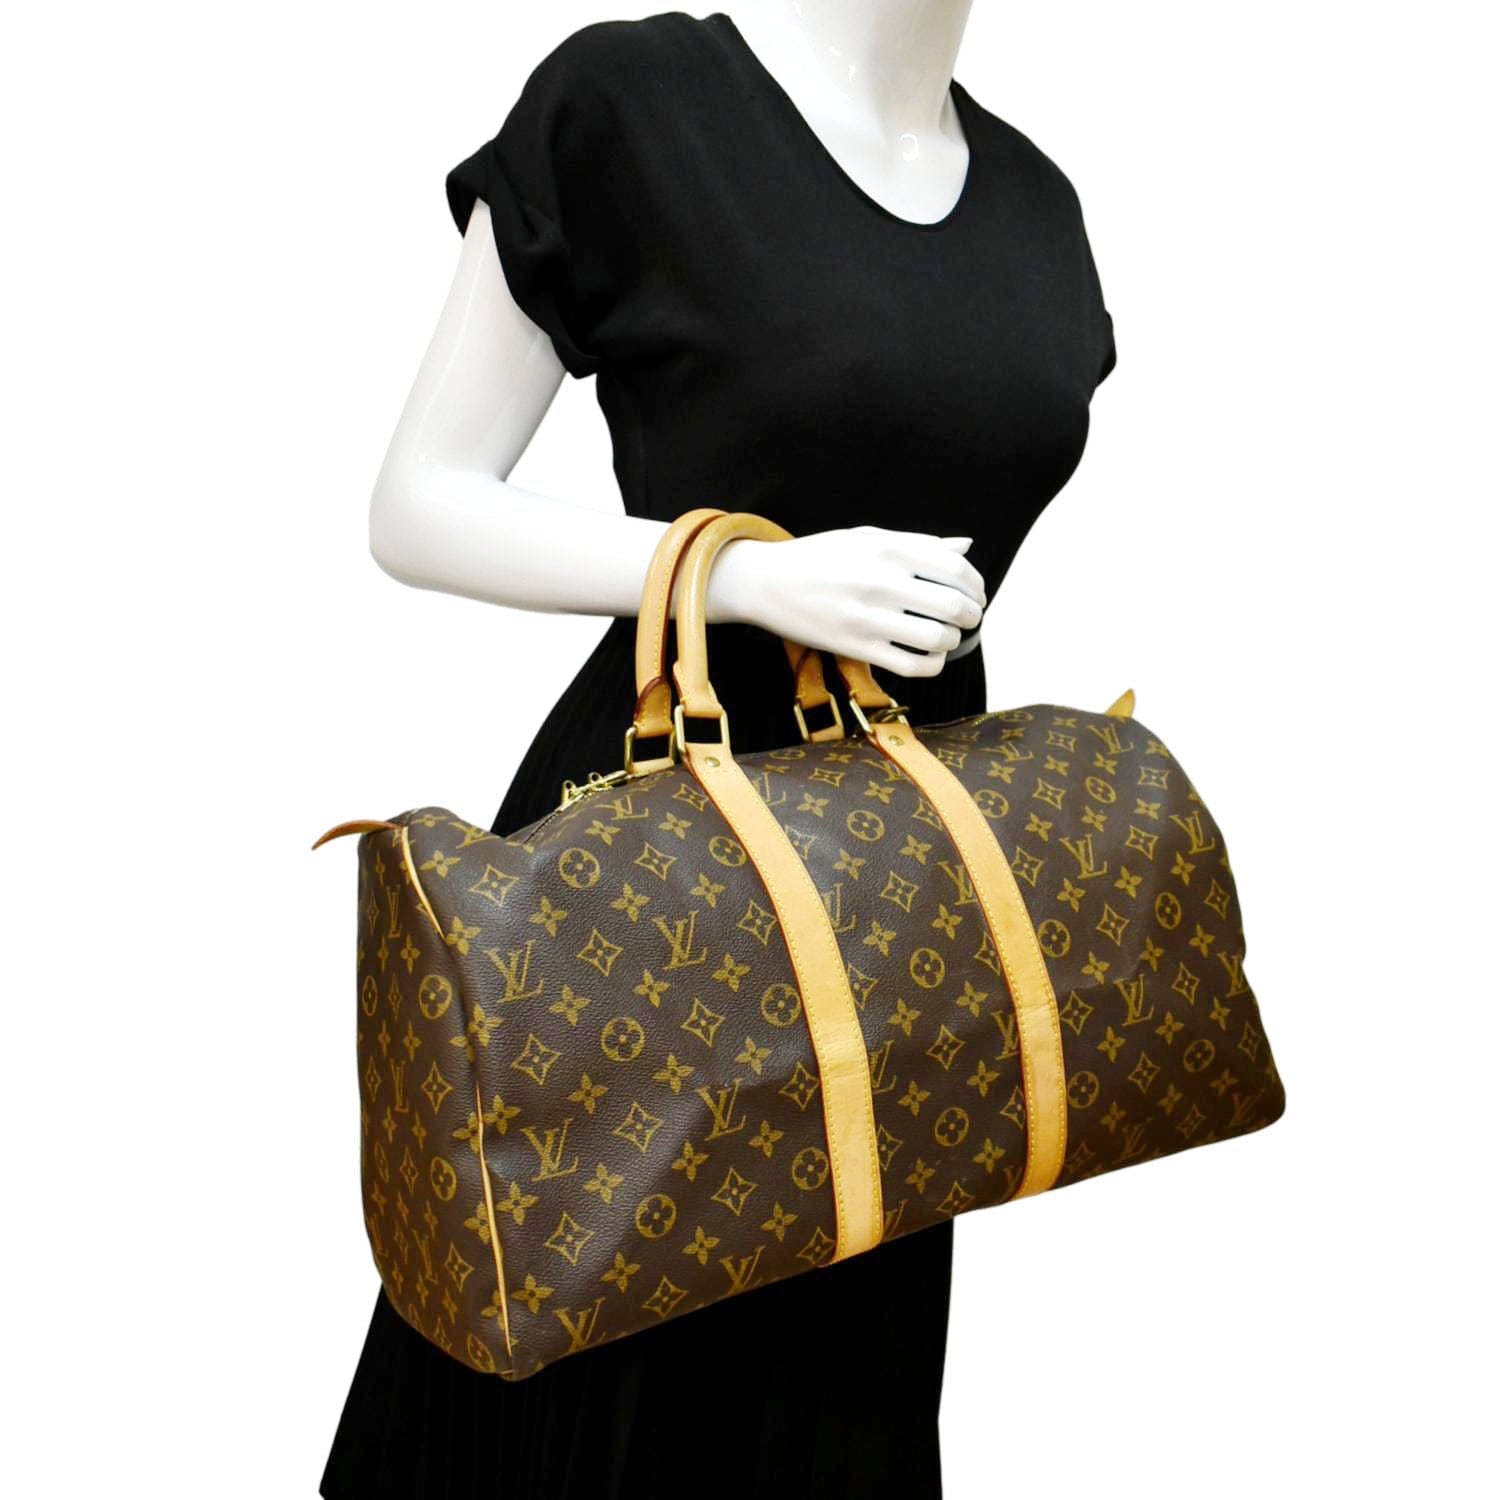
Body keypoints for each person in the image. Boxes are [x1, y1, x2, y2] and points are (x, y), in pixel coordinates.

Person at [321, 5, 1114, 1495]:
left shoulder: (1037, 204)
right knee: (590, 1357)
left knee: (830, 1392)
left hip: (897, 909)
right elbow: (415, 503)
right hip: (658, 869)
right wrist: (741, 574)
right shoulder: (637, 106)